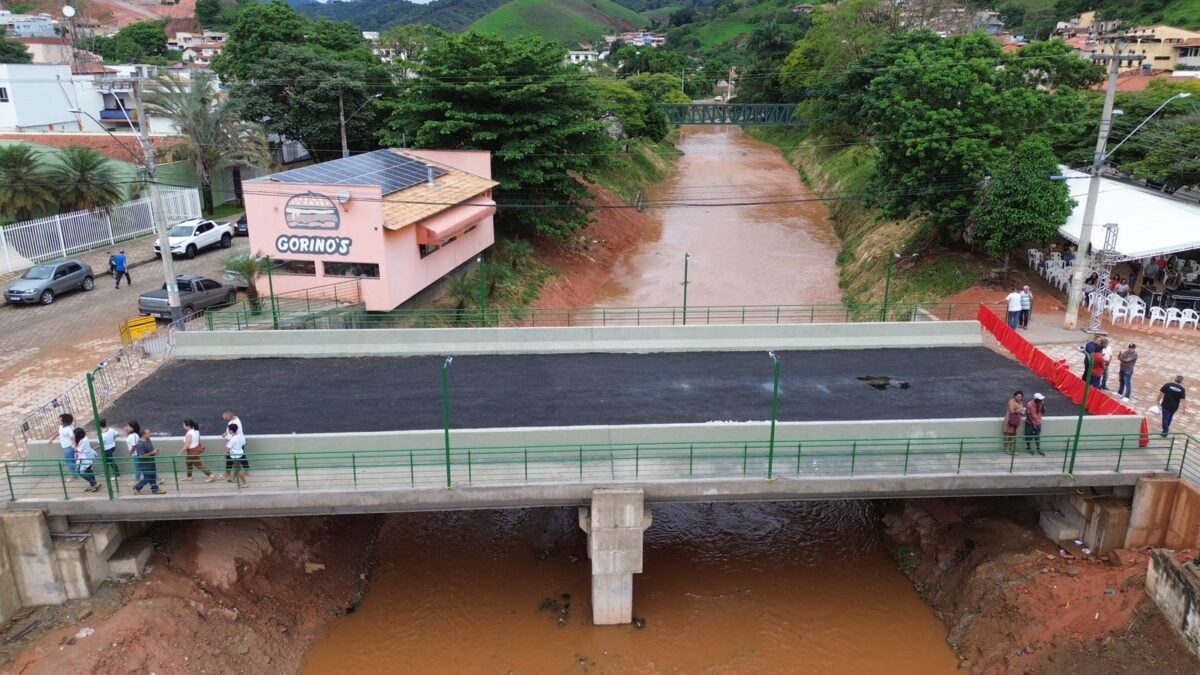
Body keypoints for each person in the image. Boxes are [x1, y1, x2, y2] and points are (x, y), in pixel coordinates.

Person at [131, 428, 165, 495]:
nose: (150, 434)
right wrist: (153, 452)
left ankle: (155, 489)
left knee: (153, 476)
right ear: (144, 434)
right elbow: (141, 456)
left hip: (151, 462)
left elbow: (150, 451)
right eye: (148, 433)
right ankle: (137, 487)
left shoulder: (148, 440)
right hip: (145, 464)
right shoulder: (140, 444)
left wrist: (155, 452)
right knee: (148, 477)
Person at [221, 409, 249, 478]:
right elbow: (231, 430)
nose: (223, 416)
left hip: (235, 443)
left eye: (224, 415)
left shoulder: (234, 423)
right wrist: (226, 433)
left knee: (230, 458)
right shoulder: (235, 418)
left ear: (228, 416)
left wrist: (227, 438)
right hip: (240, 441)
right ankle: (246, 471)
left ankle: (228, 473)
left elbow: (232, 434)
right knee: (242, 456)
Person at [72, 428, 100, 493]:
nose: (73, 435)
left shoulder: (83, 441)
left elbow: (76, 449)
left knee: (80, 472)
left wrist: (73, 441)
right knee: (89, 470)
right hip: (87, 457)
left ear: (77, 435)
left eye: (74, 434)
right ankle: (93, 485)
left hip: (83, 458)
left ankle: (94, 483)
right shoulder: (84, 438)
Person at [225, 423, 248, 488]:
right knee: (237, 467)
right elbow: (243, 443)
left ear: (231, 431)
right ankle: (233, 478)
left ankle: (245, 483)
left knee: (238, 469)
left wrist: (226, 453)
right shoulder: (240, 436)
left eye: (229, 430)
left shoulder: (232, 439)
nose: (228, 431)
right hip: (240, 454)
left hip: (235, 456)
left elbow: (227, 449)